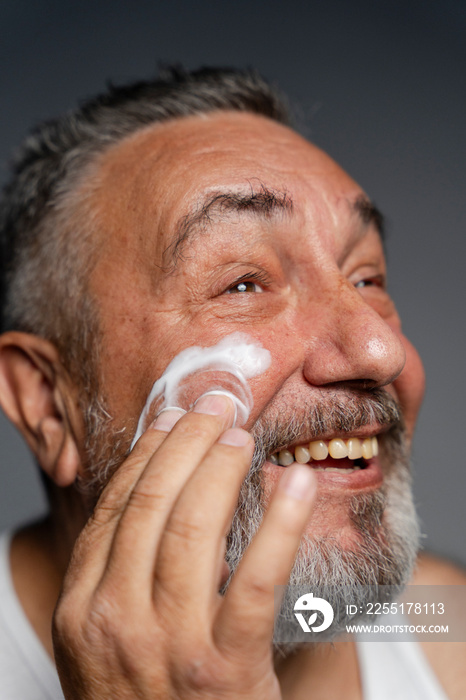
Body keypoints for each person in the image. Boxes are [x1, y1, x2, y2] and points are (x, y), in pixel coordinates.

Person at [0, 66, 464, 699]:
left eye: (367, 279)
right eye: (242, 284)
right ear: (49, 403)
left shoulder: (447, 629)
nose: (380, 351)